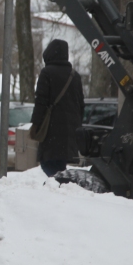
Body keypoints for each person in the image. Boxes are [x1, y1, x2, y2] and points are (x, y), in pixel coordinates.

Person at [30, 39, 85, 177]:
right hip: (69, 130)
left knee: (48, 163)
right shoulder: (75, 76)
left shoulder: (46, 73)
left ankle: (55, 186)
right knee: (61, 163)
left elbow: (40, 102)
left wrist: (35, 124)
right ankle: (59, 185)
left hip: (51, 129)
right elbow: (81, 104)